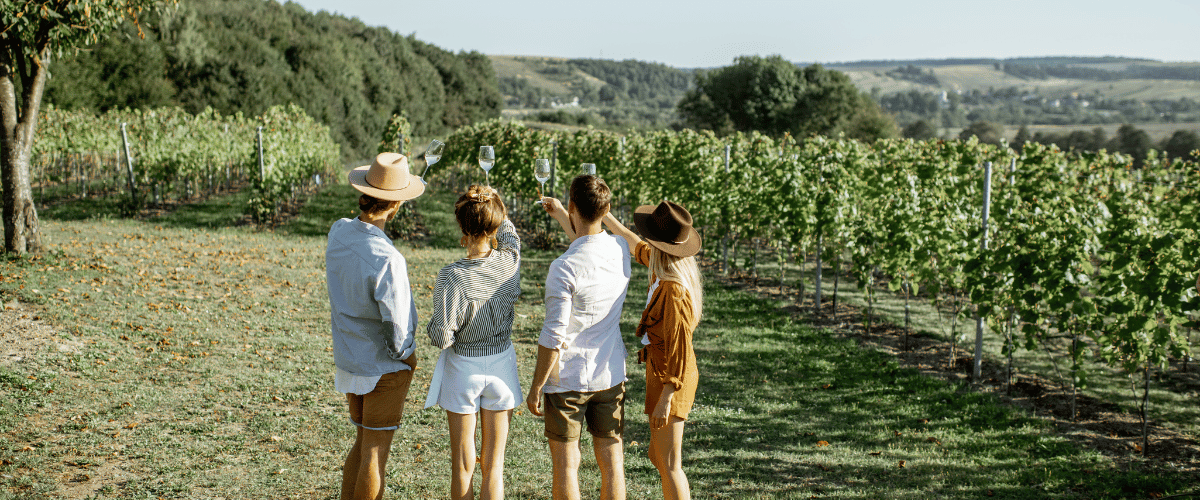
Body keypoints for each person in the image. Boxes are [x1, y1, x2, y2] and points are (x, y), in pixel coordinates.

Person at [326, 152, 424, 500]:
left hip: (350, 358)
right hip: (382, 366)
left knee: (363, 442)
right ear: (395, 206)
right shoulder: (388, 259)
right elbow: (397, 326)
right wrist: (408, 358)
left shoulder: (338, 232)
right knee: (375, 451)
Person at [527, 175, 631, 500]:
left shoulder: (563, 267)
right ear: (608, 208)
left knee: (567, 466)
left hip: (568, 380)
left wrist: (536, 386)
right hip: (610, 373)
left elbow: (553, 335)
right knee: (613, 465)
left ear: (573, 206)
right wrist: (561, 214)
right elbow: (589, 241)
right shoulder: (620, 248)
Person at [424, 185, 522, 500]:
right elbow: (512, 238)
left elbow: (442, 337)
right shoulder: (510, 263)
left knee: (463, 466)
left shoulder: (451, 276)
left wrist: (434, 324)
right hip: (501, 367)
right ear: (494, 224)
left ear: (462, 226)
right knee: (494, 468)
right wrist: (497, 203)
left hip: (462, 369)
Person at [603, 201, 703, 500]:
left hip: (674, 378)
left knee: (670, 463)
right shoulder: (662, 267)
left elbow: (680, 349)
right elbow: (631, 241)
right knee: (657, 456)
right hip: (660, 371)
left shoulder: (673, 290)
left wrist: (667, 397)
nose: (643, 239)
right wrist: (604, 214)